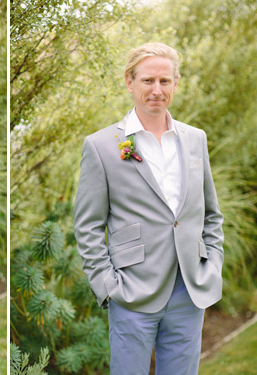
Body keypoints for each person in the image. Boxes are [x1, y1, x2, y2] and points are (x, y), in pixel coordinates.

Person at [74, 43, 224, 375]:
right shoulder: (101, 146)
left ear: (175, 83)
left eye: (165, 81)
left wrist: (212, 264)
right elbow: (87, 226)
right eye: (148, 81)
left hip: (190, 290)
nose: (157, 91)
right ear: (130, 81)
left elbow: (211, 213)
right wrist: (108, 286)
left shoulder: (195, 139)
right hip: (132, 292)